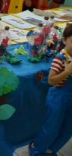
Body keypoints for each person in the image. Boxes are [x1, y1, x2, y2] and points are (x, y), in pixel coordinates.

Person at [29, 23, 72, 156]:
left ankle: (50, 151)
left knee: (68, 130)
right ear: (64, 40)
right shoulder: (60, 58)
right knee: (51, 129)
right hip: (59, 98)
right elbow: (51, 80)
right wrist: (67, 72)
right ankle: (37, 149)